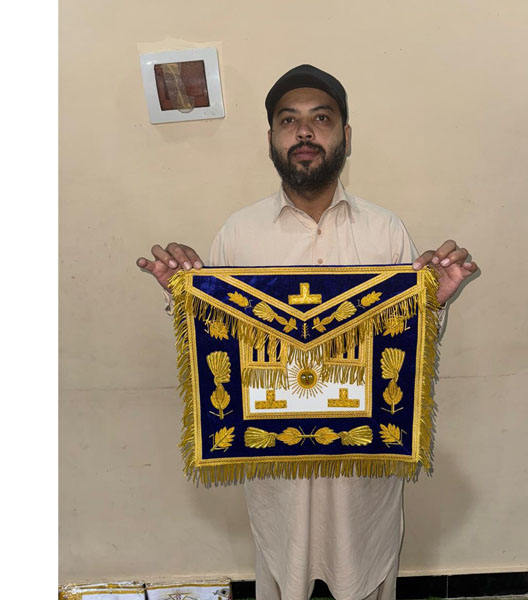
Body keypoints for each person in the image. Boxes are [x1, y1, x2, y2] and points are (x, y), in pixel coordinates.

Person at [137, 64, 479, 600]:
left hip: (361, 471)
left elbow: (407, 350)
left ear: (345, 135)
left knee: (364, 575)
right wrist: (186, 296)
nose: (304, 132)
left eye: (321, 119)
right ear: (271, 139)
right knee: (284, 575)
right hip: (280, 472)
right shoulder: (239, 233)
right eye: (288, 120)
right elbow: (219, 346)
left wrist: (432, 303)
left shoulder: (384, 230)